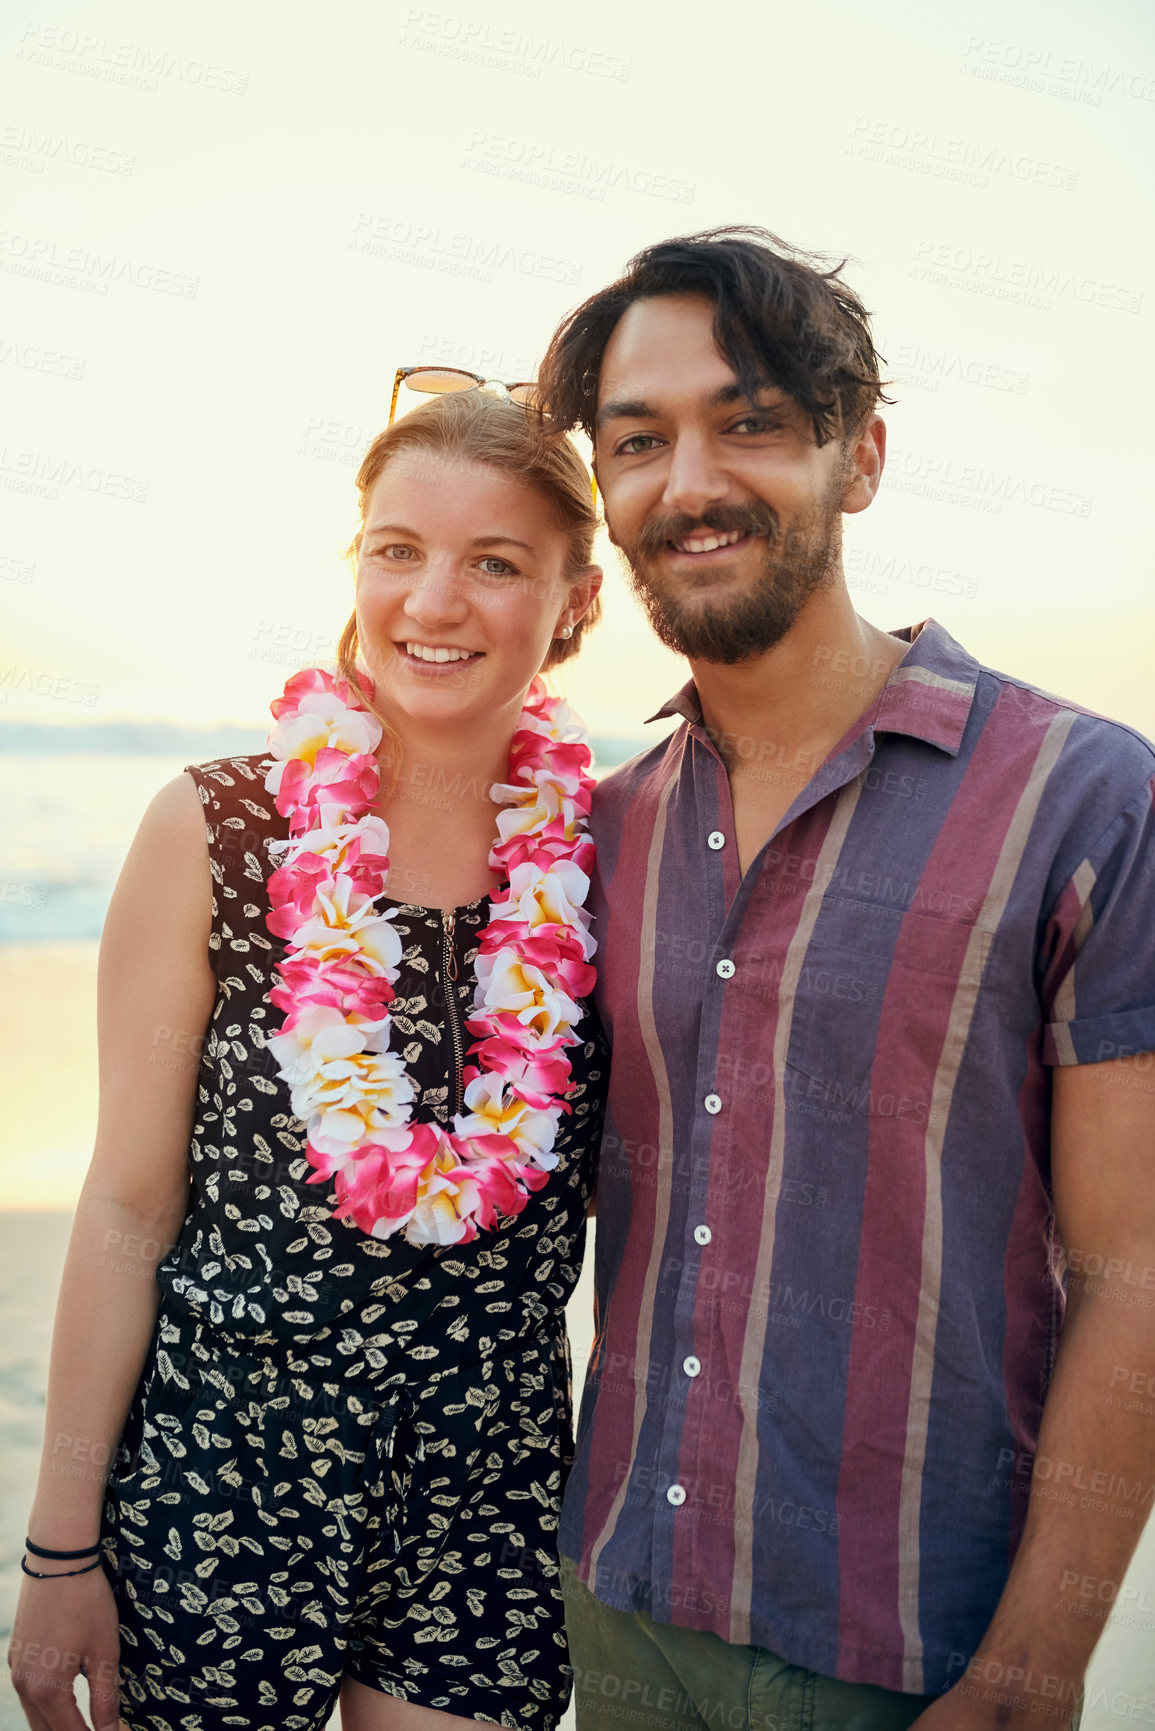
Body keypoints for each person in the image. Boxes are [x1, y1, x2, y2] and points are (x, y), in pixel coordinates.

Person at [534, 228, 1155, 1730]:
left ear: (858, 455)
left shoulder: (1084, 800)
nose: (689, 484)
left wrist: (1035, 1662)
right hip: (615, 1602)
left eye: (748, 423)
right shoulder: (598, 834)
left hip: (907, 1651)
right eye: (638, 443)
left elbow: (1135, 1266)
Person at [9, 388, 607, 1731]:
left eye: (494, 563)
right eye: (397, 549)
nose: (432, 602)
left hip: (489, 1499)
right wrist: (58, 1547)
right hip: (222, 1480)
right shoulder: (217, 829)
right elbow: (125, 1204)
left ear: (575, 603)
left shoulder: (614, 857)